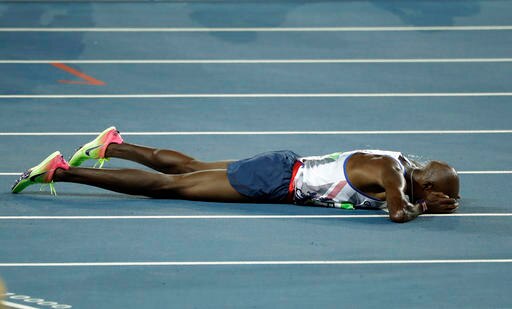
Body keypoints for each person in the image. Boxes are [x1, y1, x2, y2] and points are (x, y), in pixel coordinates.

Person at [11, 127, 460, 223]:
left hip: (284, 167)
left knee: (187, 167)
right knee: (173, 187)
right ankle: (65, 173)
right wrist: (424, 207)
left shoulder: (399, 159)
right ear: (429, 184)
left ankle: (111, 145)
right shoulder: (394, 174)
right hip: (276, 182)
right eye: (444, 194)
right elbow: (399, 215)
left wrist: (426, 197)